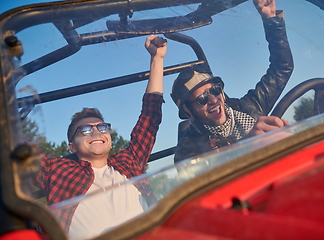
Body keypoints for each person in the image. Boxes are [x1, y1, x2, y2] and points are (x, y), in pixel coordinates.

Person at [32, 35, 167, 239]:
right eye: (85, 129)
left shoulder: (128, 161)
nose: (96, 131)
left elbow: (151, 116)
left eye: (102, 127)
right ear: (72, 146)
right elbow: (13, 150)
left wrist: (157, 59)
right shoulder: (56, 170)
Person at [170, 0, 294, 163]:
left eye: (215, 90)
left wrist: (271, 20)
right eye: (202, 99)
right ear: (188, 112)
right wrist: (244, 147)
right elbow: (202, 178)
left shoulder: (250, 106)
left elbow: (282, 68)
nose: (214, 100)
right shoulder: (187, 150)